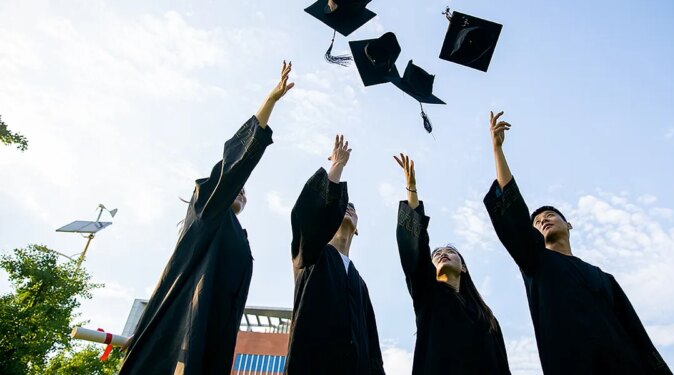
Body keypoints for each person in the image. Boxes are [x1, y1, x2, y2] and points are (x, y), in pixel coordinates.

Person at [119, 62, 294, 375]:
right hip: (180, 334)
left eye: (244, 190)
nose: (241, 191)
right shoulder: (207, 210)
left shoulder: (239, 236)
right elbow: (233, 165)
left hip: (212, 341)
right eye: (235, 188)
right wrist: (270, 102)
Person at [483, 110, 672, 374]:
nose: (543, 220)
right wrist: (497, 151)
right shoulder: (536, 263)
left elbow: (636, 333)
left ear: (568, 224)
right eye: (537, 221)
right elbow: (513, 213)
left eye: (550, 216)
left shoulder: (603, 278)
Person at [393, 153, 512, 375]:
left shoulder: (487, 318)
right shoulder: (428, 295)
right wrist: (411, 190)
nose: (442, 254)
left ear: (464, 267)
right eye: (436, 253)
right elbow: (415, 254)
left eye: (450, 252)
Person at [285, 135, 384, 375]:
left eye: (353, 208)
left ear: (357, 228)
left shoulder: (359, 282)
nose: (349, 207)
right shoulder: (312, 254)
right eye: (344, 205)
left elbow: (373, 349)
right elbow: (308, 218)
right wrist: (337, 167)